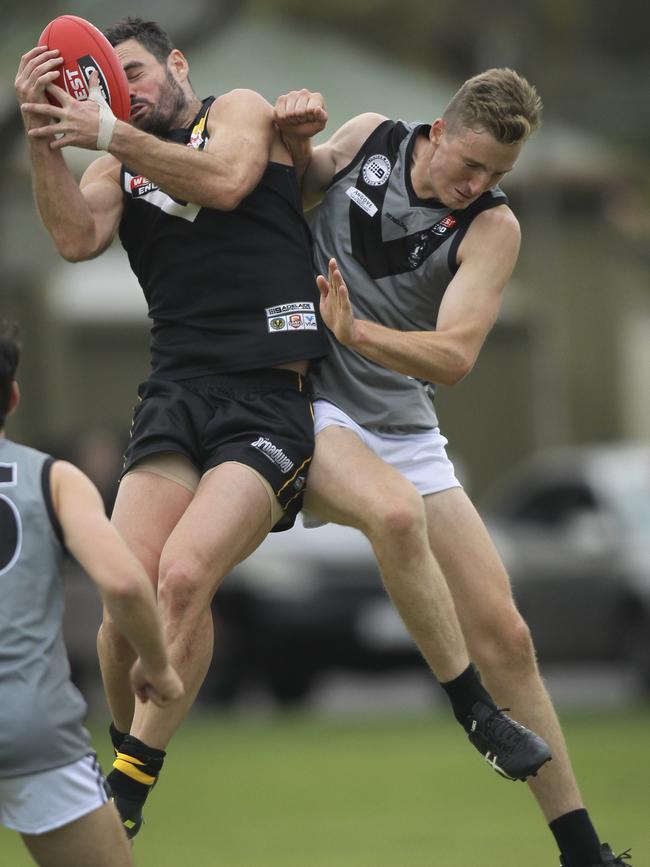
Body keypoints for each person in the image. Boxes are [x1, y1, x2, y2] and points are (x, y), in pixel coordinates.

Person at [16, 19, 551, 842]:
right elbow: (72, 236)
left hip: (267, 401)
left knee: (185, 581)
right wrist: (46, 139)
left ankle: (126, 790)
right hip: (172, 393)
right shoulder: (119, 159)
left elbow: (229, 181)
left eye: (135, 72)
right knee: (124, 611)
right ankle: (124, 762)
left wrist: (105, 128)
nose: (127, 91)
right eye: (110, 82)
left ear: (178, 65)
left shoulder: (237, 112)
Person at [273, 71, 632, 867]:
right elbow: (285, 190)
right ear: (436, 130)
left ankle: (582, 850)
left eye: (497, 176)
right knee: (390, 512)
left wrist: (358, 332)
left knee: (507, 632)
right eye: (470, 165)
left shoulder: (492, 229)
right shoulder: (369, 135)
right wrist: (294, 137)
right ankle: (129, 768)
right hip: (311, 403)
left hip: (401, 423)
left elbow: (456, 357)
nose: (477, 185)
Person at [0, 321, 184, 867]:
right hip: (30, 721)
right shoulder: (50, 478)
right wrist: (156, 662)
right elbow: (124, 582)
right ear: (13, 395)